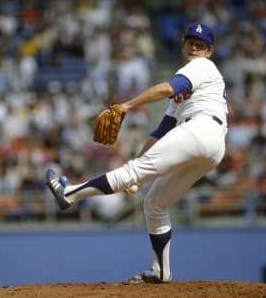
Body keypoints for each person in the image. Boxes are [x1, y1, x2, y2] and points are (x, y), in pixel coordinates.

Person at [46, 23, 228, 284]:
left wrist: (128, 105)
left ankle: (69, 194)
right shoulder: (190, 87)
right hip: (211, 145)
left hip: (200, 127)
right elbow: (162, 129)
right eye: (190, 42)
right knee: (154, 204)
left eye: (201, 45)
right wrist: (137, 166)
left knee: (134, 175)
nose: (194, 47)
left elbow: (167, 88)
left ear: (209, 51)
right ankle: (162, 271)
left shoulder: (200, 66)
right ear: (182, 45)